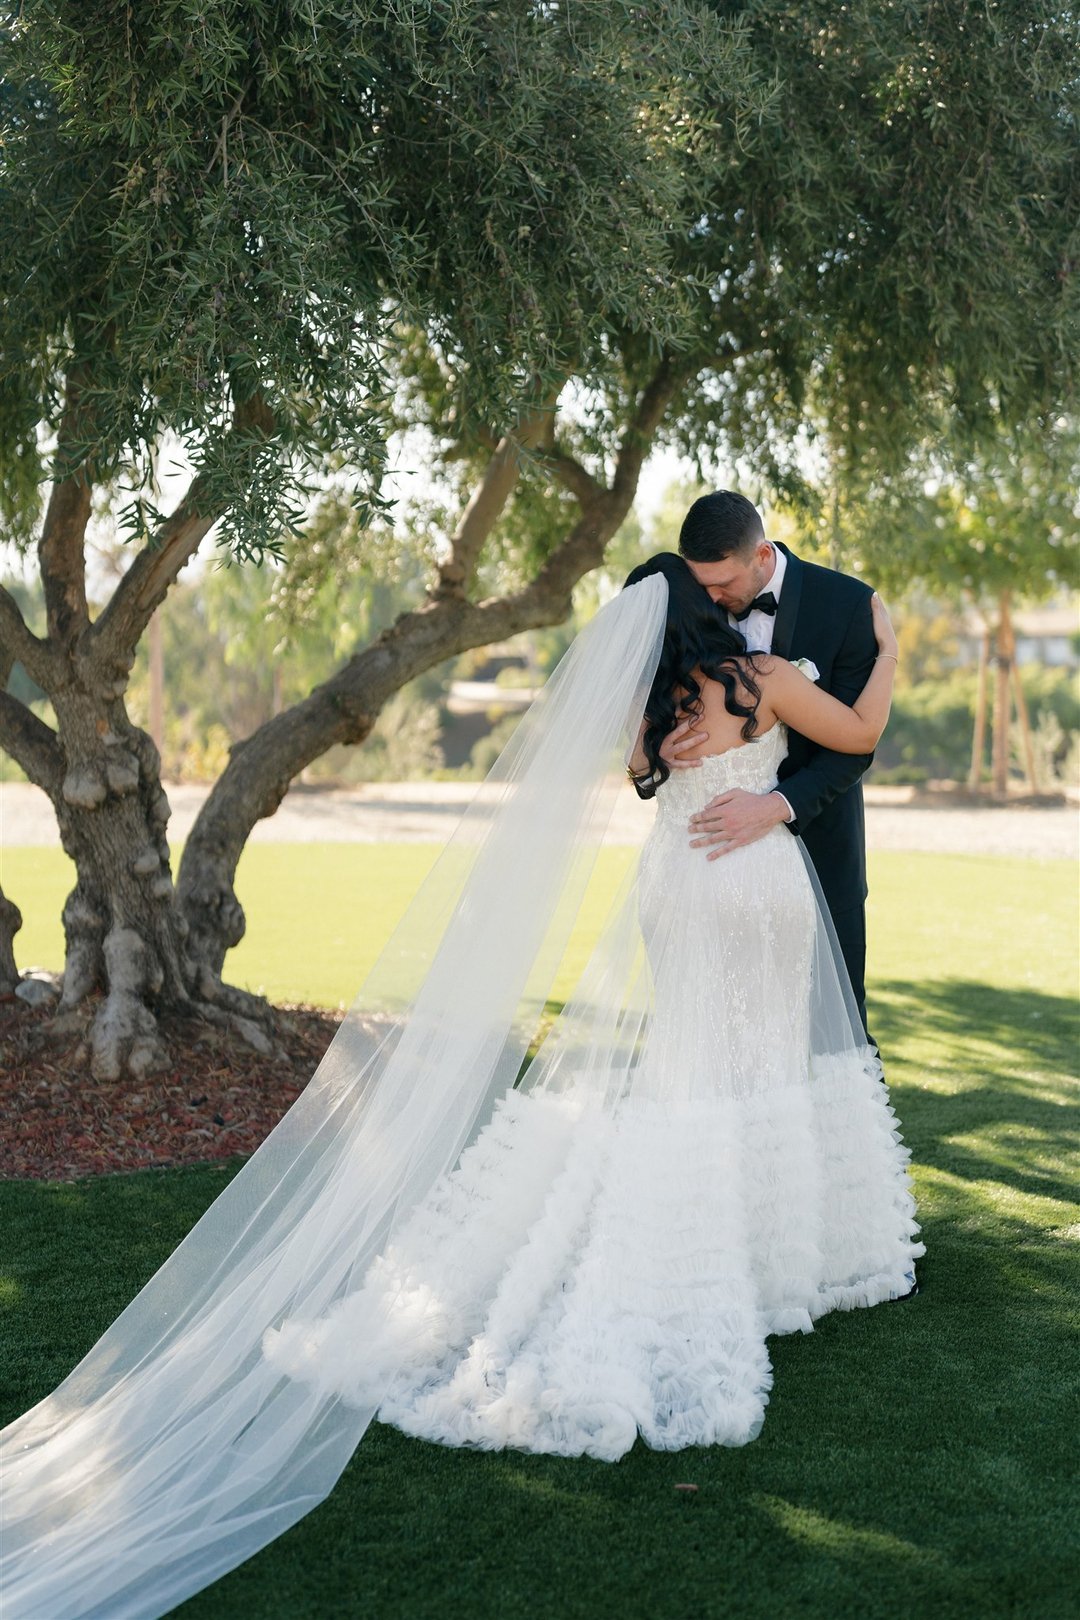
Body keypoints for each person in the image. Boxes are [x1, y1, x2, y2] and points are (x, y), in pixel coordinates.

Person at [0, 555, 924, 1619]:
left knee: (695, 1066)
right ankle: (774, 1247)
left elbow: (638, 782)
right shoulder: (757, 678)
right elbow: (856, 736)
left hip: (678, 886)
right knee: (756, 1065)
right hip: (756, 886)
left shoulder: (654, 704)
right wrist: (887, 654)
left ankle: (743, 1241)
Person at [654, 491, 879, 1038]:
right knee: (719, 1031)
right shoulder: (684, 606)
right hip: (709, 867)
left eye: (723, 584)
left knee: (837, 1033)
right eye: (700, 583)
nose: (709, 597)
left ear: (760, 556)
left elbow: (856, 743)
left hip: (822, 845)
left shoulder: (846, 604)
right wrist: (661, 751)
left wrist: (777, 807)